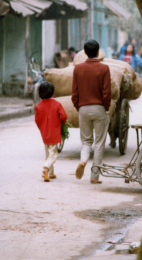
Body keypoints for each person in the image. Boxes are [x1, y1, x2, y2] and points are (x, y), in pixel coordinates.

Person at [72, 39, 111, 184]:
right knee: (99, 143)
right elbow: (107, 92)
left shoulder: (78, 68)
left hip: (83, 108)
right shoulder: (104, 68)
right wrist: (105, 108)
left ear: (85, 52)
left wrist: (79, 107)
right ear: (98, 52)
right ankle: (94, 176)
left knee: (86, 142)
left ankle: (83, 161)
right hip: (99, 108)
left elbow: (74, 93)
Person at [35, 82, 67, 182]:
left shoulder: (38, 106)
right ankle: (45, 168)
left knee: (47, 153)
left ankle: (51, 173)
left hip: (44, 133)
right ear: (52, 93)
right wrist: (63, 123)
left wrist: (42, 128)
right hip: (54, 132)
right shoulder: (57, 104)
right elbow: (64, 116)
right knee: (53, 154)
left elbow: (37, 120)